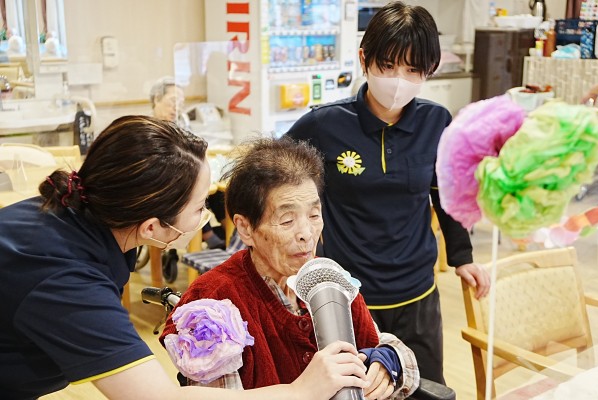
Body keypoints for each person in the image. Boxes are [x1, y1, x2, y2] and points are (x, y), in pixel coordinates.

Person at [0, 116, 369, 400]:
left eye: (314, 214)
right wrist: (299, 391)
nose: (207, 216)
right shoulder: (64, 277)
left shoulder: (81, 217)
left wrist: (388, 360)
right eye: (199, 207)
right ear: (152, 228)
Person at [285, 1, 490, 385]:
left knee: (426, 389)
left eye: (413, 70)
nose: (399, 80)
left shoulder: (436, 121)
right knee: (356, 389)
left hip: (417, 292)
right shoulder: (324, 124)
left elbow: (446, 193)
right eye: (388, 65)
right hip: (347, 297)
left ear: (429, 69)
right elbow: (273, 175)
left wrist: (462, 257)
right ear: (365, 59)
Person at [161, 138, 420, 399]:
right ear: (245, 228)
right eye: (286, 220)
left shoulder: (325, 278)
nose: (307, 233)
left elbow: (390, 348)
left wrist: (388, 361)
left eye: (314, 215)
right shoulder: (213, 303)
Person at [149, 76, 225, 251]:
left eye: (181, 103)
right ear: (157, 99)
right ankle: (209, 235)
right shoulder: (150, 129)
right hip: (164, 187)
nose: (177, 107)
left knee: (218, 192)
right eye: (173, 101)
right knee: (193, 193)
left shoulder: (180, 125)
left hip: (186, 176)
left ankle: (229, 233)